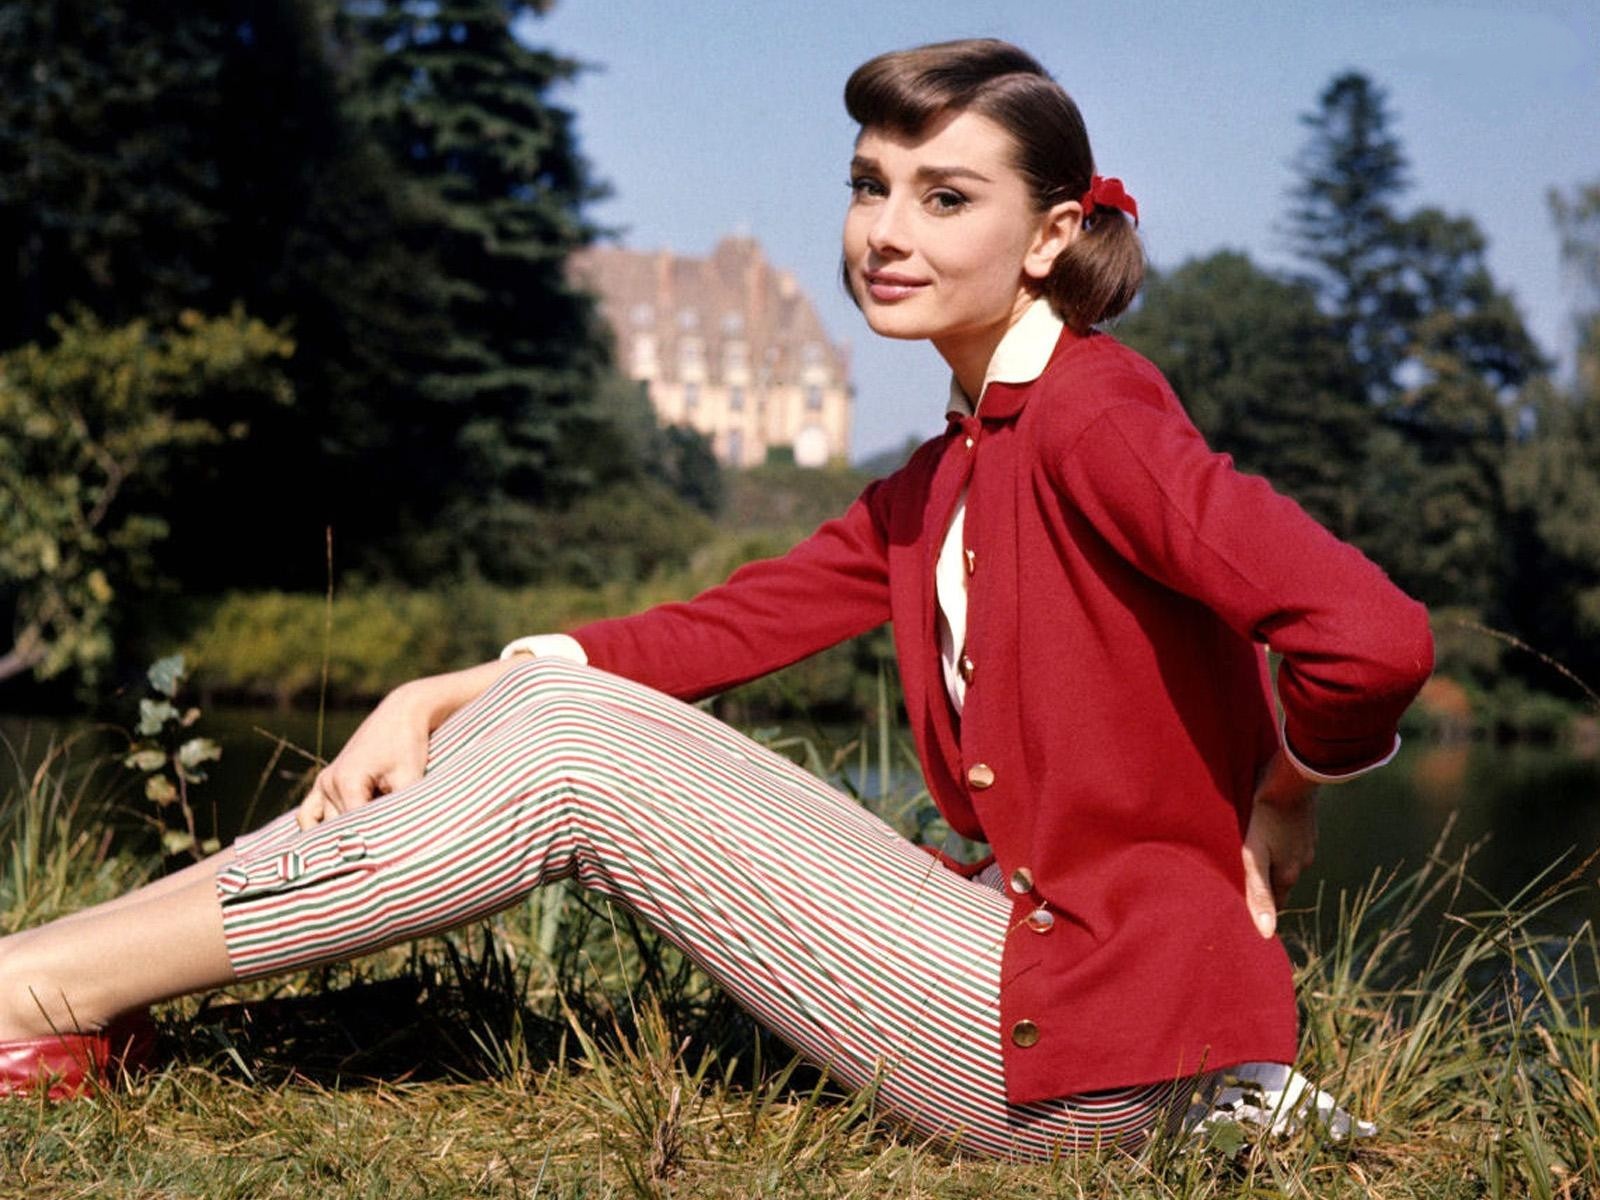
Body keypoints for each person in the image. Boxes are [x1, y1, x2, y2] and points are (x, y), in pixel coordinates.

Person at [0, 39, 1432, 1158]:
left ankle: (39, 992)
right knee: (550, 702)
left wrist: (1288, 788)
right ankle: (55, 982)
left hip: (1098, 1048)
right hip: (1049, 999)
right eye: (870, 186)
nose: (886, 231)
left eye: (946, 199)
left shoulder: (1095, 416)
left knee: (569, 755)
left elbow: (1370, 638)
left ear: (1053, 235)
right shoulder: (950, 466)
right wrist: (438, 691)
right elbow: (719, 629)